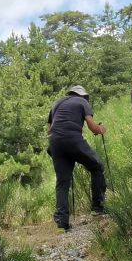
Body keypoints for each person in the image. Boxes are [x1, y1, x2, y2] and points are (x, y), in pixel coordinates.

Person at [47, 85, 107, 231]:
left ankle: (62, 222)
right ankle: (97, 208)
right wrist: (100, 129)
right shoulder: (82, 102)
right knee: (97, 166)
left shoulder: (56, 103)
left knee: (62, 182)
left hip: (54, 142)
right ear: (83, 96)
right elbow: (92, 127)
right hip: (72, 138)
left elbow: (49, 128)